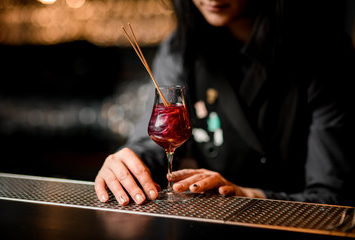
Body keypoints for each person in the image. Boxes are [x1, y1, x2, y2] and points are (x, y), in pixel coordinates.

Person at [95, 0, 355, 206]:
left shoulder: (324, 52)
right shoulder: (181, 48)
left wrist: (246, 194)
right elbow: (155, 142)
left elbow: (334, 199)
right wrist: (128, 163)